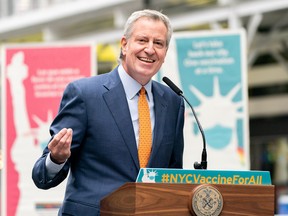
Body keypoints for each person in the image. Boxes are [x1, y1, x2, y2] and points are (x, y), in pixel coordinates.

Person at [32, 9, 185, 215]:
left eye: (158, 43)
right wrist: (57, 158)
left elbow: (172, 176)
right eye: (142, 40)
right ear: (124, 44)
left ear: (165, 52)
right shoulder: (85, 94)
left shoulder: (174, 102)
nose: (150, 49)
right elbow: (41, 175)